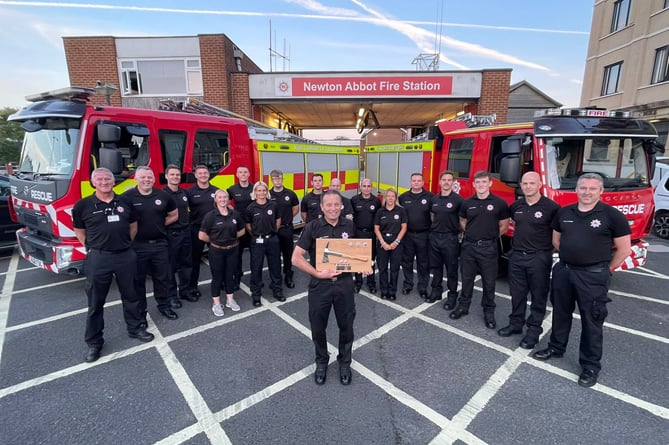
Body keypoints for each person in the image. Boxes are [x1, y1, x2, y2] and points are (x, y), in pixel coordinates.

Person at [533, 173, 631, 388]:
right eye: (583, 188)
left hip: (593, 276)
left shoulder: (612, 216)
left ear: (600, 191)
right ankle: (556, 348)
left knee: (592, 320)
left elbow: (624, 250)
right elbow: (556, 240)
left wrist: (603, 269)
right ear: (576, 190)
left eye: (592, 189)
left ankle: (590, 366)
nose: (587, 192)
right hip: (564, 271)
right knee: (560, 313)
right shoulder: (565, 212)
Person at [73, 167, 153, 363]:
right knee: (95, 302)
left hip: (125, 255)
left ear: (113, 181)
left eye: (107, 179)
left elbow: (133, 227)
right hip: (99, 258)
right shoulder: (83, 205)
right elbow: (79, 230)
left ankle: (135, 329)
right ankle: (94, 342)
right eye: (99, 179)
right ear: (93, 182)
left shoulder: (125, 202)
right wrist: (93, 248)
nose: (104, 182)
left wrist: (124, 245)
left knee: (132, 295)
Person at [292, 190, 370, 386]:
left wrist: (365, 265)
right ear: (322, 207)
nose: (333, 208)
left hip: (344, 285)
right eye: (329, 205)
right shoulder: (313, 227)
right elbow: (296, 257)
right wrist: (317, 273)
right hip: (320, 286)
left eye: (337, 204)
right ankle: (321, 362)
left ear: (342, 206)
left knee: (347, 327)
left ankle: (344, 362)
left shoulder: (350, 225)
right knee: (318, 328)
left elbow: (358, 252)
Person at [497, 171, 559, 349]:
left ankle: (533, 330)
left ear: (539, 184)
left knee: (538, 295)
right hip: (517, 256)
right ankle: (516, 324)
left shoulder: (552, 208)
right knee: (517, 293)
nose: (528, 187)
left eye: (532, 183)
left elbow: (558, 236)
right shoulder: (516, 206)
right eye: (524, 183)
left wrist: (545, 252)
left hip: (539, 257)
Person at [450, 170, 510, 329]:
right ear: (473, 184)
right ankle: (463, 306)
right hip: (469, 246)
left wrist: (489, 236)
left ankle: (489, 312)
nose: (481, 185)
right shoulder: (467, 202)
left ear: (490, 183)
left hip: (489, 248)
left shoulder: (499, 203)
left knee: (489, 282)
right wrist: (472, 234)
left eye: (484, 182)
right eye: (478, 182)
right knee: (467, 279)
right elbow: (463, 221)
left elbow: (504, 225)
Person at [122, 166, 179, 322]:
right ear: (136, 179)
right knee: (138, 281)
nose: (146, 180)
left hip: (160, 245)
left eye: (149, 177)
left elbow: (174, 215)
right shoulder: (127, 197)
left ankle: (164, 306)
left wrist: (160, 225)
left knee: (162, 279)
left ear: (154, 179)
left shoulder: (163, 195)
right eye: (143, 177)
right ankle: (141, 313)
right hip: (137, 246)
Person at [199, 189, 245, 316]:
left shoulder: (235, 214)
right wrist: (215, 241)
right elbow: (202, 235)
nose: (223, 199)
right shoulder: (210, 216)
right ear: (215, 199)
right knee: (217, 277)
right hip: (216, 251)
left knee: (230, 275)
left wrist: (231, 238)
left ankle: (230, 300)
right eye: (220, 197)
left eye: (225, 197)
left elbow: (242, 231)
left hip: (232, 250)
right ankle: (217, 303)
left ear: (228, 199)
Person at [245, 181, 284, 306]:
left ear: (267, 192)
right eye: (259, 190)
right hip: (257, 241)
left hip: (272, 239)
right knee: (256, 268)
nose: (261, 193)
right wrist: (257, 235)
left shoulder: (273, 205)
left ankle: (277, 291)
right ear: (255, 192)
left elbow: (278, 220)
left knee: (276, 266)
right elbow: (248, 225)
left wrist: (273, 232)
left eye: (263, 190)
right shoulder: (251, 208)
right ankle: (256, 295)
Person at [428, 171, 464, 306]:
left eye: (449, 180)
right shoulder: (434, 199)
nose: (447, 182)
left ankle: (452, 296)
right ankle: (436, 292)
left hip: (450, 239)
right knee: (436, 268)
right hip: (435, 238)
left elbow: (462, 219)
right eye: (444, 180)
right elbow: (432, 215)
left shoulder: (458, 200)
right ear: (440, 182)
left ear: (453, 182)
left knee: (451, 269)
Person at [163, 164, 196, 303]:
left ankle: (185, 291)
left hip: (186, 232)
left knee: (186, 264)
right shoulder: (162, 194)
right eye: (172, 174)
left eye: (177, 174)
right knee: (170, 267)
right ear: (166, 176)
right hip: (171, 234)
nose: (175, 177)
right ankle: (171, 296)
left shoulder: (183, 193)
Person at [399, 173, 434, 299]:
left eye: (419, 181)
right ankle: (408, 284)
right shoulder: (403, 197)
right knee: (407, 262)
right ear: (410, 182)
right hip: (407, 235)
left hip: (424, 235)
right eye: (414, 181)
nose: (416, 183)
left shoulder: (430, 197)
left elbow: (434, 215)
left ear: (423, 183)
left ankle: (423, 287)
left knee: (423, 263)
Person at [186, 165, 218, 300]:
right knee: (194, 260)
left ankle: (219, 283)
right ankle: (192, 287)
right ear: (195, 175)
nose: (203, 175)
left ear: (209, 175)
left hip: (215, 229)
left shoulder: (216, 190)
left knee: (217, 259)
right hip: (196, 229)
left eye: (205, 173)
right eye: (200, 173)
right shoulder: (189, 192)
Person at [374, 188, 407, 300]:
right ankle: (384, 290)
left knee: (394, 268)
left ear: (395, 198)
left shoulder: (401, 211)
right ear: (385, 198)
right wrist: (383, 242)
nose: (390, 198)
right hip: (383, 242)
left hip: (396, 243)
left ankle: (392, 291)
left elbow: (404, 228)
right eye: (388, 196)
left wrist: (396, 242)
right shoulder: (380, 211)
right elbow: (376, 228)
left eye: (392, 196)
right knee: (382, 268)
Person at [269, 169, 300, 289]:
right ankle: (276, 279)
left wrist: (286, 218)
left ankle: (288, 276)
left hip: (287, 229)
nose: (277, 180)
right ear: (272, 180)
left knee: (288, 255)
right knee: (274, 256)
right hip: (273, 231)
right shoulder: (268, 194)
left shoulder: (290, 194)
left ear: (283, 179)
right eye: (275, 178)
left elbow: (296, 208)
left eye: (279, 178)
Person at [351, 178, 381, 294]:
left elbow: (379, 218)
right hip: (358, 233)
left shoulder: (376, 201)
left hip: (371, 234)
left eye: (369, 186)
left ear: (371, 187)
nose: (366, 188)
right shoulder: (354, 200)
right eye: (364, 186)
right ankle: (358, 282)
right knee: (358, 258)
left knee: (371, 259)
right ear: (360, 187)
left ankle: (371, 282)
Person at [228, 165, 254, 291]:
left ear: (248, 174)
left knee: (255, 255)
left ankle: (255, 279)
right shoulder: (232, 189)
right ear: (237, 175)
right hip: (239, 227)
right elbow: (224, 201)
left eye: (245, 172)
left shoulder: (255, 188)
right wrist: (233, 211)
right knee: (237, 255)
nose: (243, 174)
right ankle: (236, 279)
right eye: (240, 172)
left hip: (253, 227)